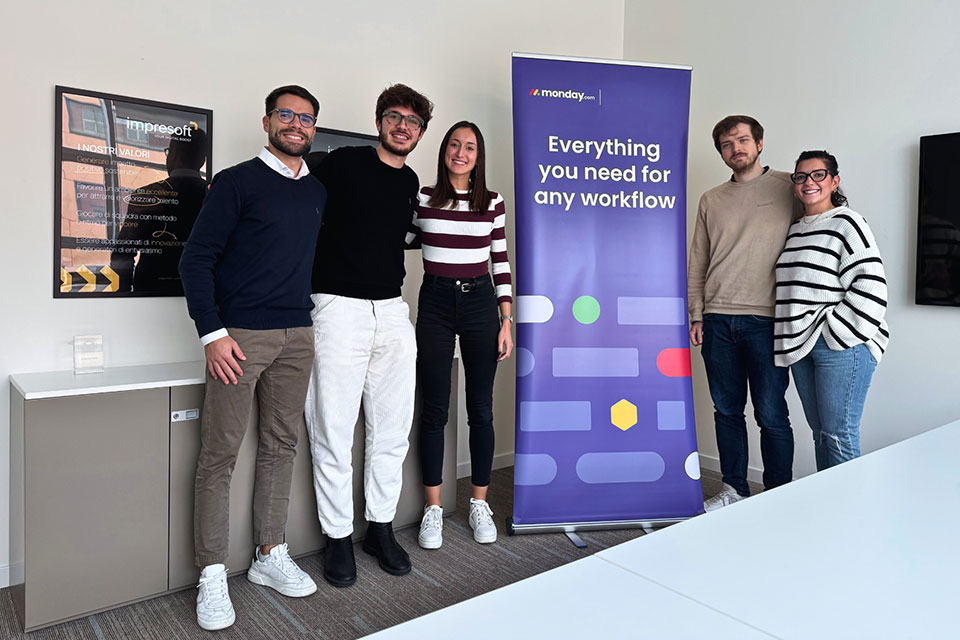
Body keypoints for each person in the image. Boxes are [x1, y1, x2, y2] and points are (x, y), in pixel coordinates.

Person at [179, 85, 324, 631]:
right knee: (219, 455)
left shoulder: (316, 191)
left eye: (305, 118)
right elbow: (195, 259)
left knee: (281, 445)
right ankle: (212, 573)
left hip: (298, 335)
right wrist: (212, 333)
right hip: (239, 337)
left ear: (313, 129)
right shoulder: (236, 182)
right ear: (267, 122)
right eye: (286, 114)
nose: (295, 124)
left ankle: (268, 553)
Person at [304, 84, 433, 587]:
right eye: (395, 117)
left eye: (413, 122)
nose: (403, 127)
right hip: (338, 307)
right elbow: (292, 192)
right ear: (380, 122)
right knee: (333, 427)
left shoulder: (411, 181)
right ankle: (338, 536)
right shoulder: (341, 162)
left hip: (392, 311)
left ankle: (380, 527)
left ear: (420, 134)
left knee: (392, 428)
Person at [407, 121, 513, 550]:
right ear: (444, 150)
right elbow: (395, 238)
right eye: (454, 144)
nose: (461, 153)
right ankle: (433, 508)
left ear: (478, 156)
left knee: (480, 409)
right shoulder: (424, 198)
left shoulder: (492, 202)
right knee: (434, 409)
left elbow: (500, 262)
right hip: (434, 302)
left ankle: (479, 503)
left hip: (480, 303)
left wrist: (506, 320)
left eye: (470, 147)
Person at [688, 115, 799, 512]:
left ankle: (779, 494)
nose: (735, 148)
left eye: (742, 140)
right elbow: (698, 260)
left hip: (768, 321)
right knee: (727, 411)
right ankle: (733, 488)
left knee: (771, 413)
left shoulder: (790, 187)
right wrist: (697, 314)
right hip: (717, 319)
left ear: (759, 143)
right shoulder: (711, 199)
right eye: (726, 144)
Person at [775, 150, 888, 470]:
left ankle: (849, 504)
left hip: (839, 346)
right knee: (821, 435)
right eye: (801, 176)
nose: (808, 182)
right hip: (800, 345)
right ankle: (828, 500)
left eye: (818, 175)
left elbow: (871, 285)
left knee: (840, 436)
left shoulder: (847, 222)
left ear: (834, 181)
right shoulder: (794, 230)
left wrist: (833, 331)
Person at [110, 129, 208, 294]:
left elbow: (122, 253)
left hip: (150, 290)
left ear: (173, 153)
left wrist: (124, 295)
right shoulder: (216, 195)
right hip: (200, 291)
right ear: (202, 160)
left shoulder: (146, 194)